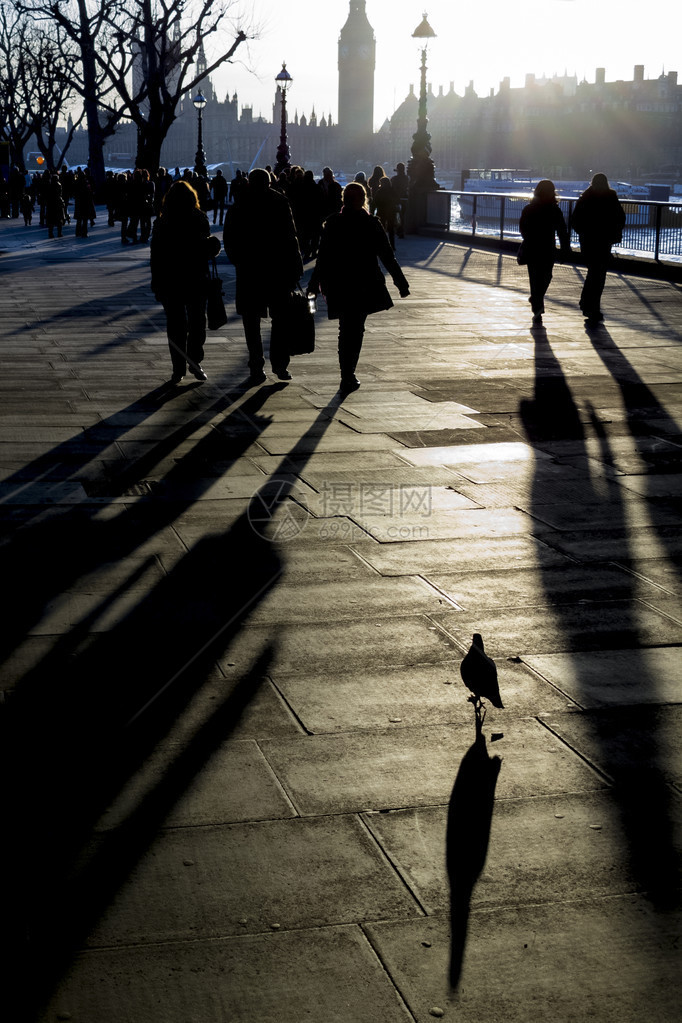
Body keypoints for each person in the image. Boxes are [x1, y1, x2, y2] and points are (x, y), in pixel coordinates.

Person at [308, 181, 410, 392]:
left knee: (345, 328)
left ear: (344, 200)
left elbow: (323, 258)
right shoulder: (371, 223)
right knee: (356, 329)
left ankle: (346, 373)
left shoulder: (333, 223)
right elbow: (387, 255)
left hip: (338, 284)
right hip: (364, 283)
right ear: (364, 200)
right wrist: (400, 282)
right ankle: (349, 374)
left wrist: (313, 285)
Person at [223, 167, 303, 385]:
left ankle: (256, 366)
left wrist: (238, 260)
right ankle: (279, 363)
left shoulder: (240, 204)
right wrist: (296, 264)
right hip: (277, 269)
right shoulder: (280, 201)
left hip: (250, 269)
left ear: (249, 182)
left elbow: (229, 236)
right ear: (270, 183)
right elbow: (290, 235)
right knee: (280, 319)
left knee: (251, 320)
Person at [150, 180, 219, 384]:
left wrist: (156, 280)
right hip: (195, 276)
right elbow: (205, 248)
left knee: (175, 325)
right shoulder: (199, 218)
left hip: (170, 278)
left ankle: (177, 369)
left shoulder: (163, 221)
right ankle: (195, 360)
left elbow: (156, 254)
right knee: (198, 321)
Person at [571, 172, 626, 326]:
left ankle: (587, 304)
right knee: (599, 275)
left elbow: (575, 220)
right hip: (604, 241)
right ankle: (591, 306)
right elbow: (620, 217)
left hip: (588, 241)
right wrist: (613, 232)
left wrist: (584, 232)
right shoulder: (611, 197)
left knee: (592, 272)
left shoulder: (585, 197)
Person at [519, 179, 571, 325]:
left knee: (534, 278)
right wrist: (565, 248)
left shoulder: (529, 209)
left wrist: (529, 238)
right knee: (546, 276)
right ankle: (537, 301)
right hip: (548, 248)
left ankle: (536, 302)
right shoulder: (555, 210)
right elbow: (562, 231)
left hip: (532, 247)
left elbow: (522, 228)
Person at [391, 162, 409, 238]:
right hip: (404, 199)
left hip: (396, 199)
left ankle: (398, 230)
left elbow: (392, 189)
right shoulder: (406, 178)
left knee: (396, 216)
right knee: (402, 216)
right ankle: (402, 231)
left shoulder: (394, 179)